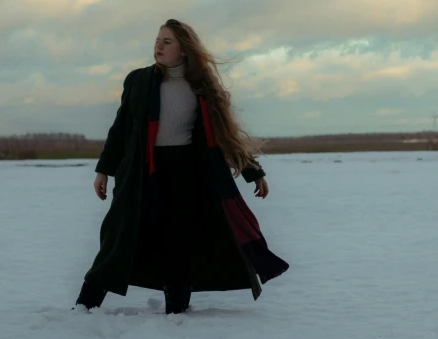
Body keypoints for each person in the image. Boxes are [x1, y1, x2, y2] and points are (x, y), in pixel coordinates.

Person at [74, 19, 289, 314]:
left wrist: (253, 171)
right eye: (157, 40)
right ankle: (85, 307)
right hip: (141, 174)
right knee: (118, 237)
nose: (158, 47)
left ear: (185, 50)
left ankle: (176, 312)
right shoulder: (138, 81)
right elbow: (121, 129)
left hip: (188, 174)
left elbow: (225, 135)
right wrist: (104, 170)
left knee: (179, 242)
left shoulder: (201, 87)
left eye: (167, 42)